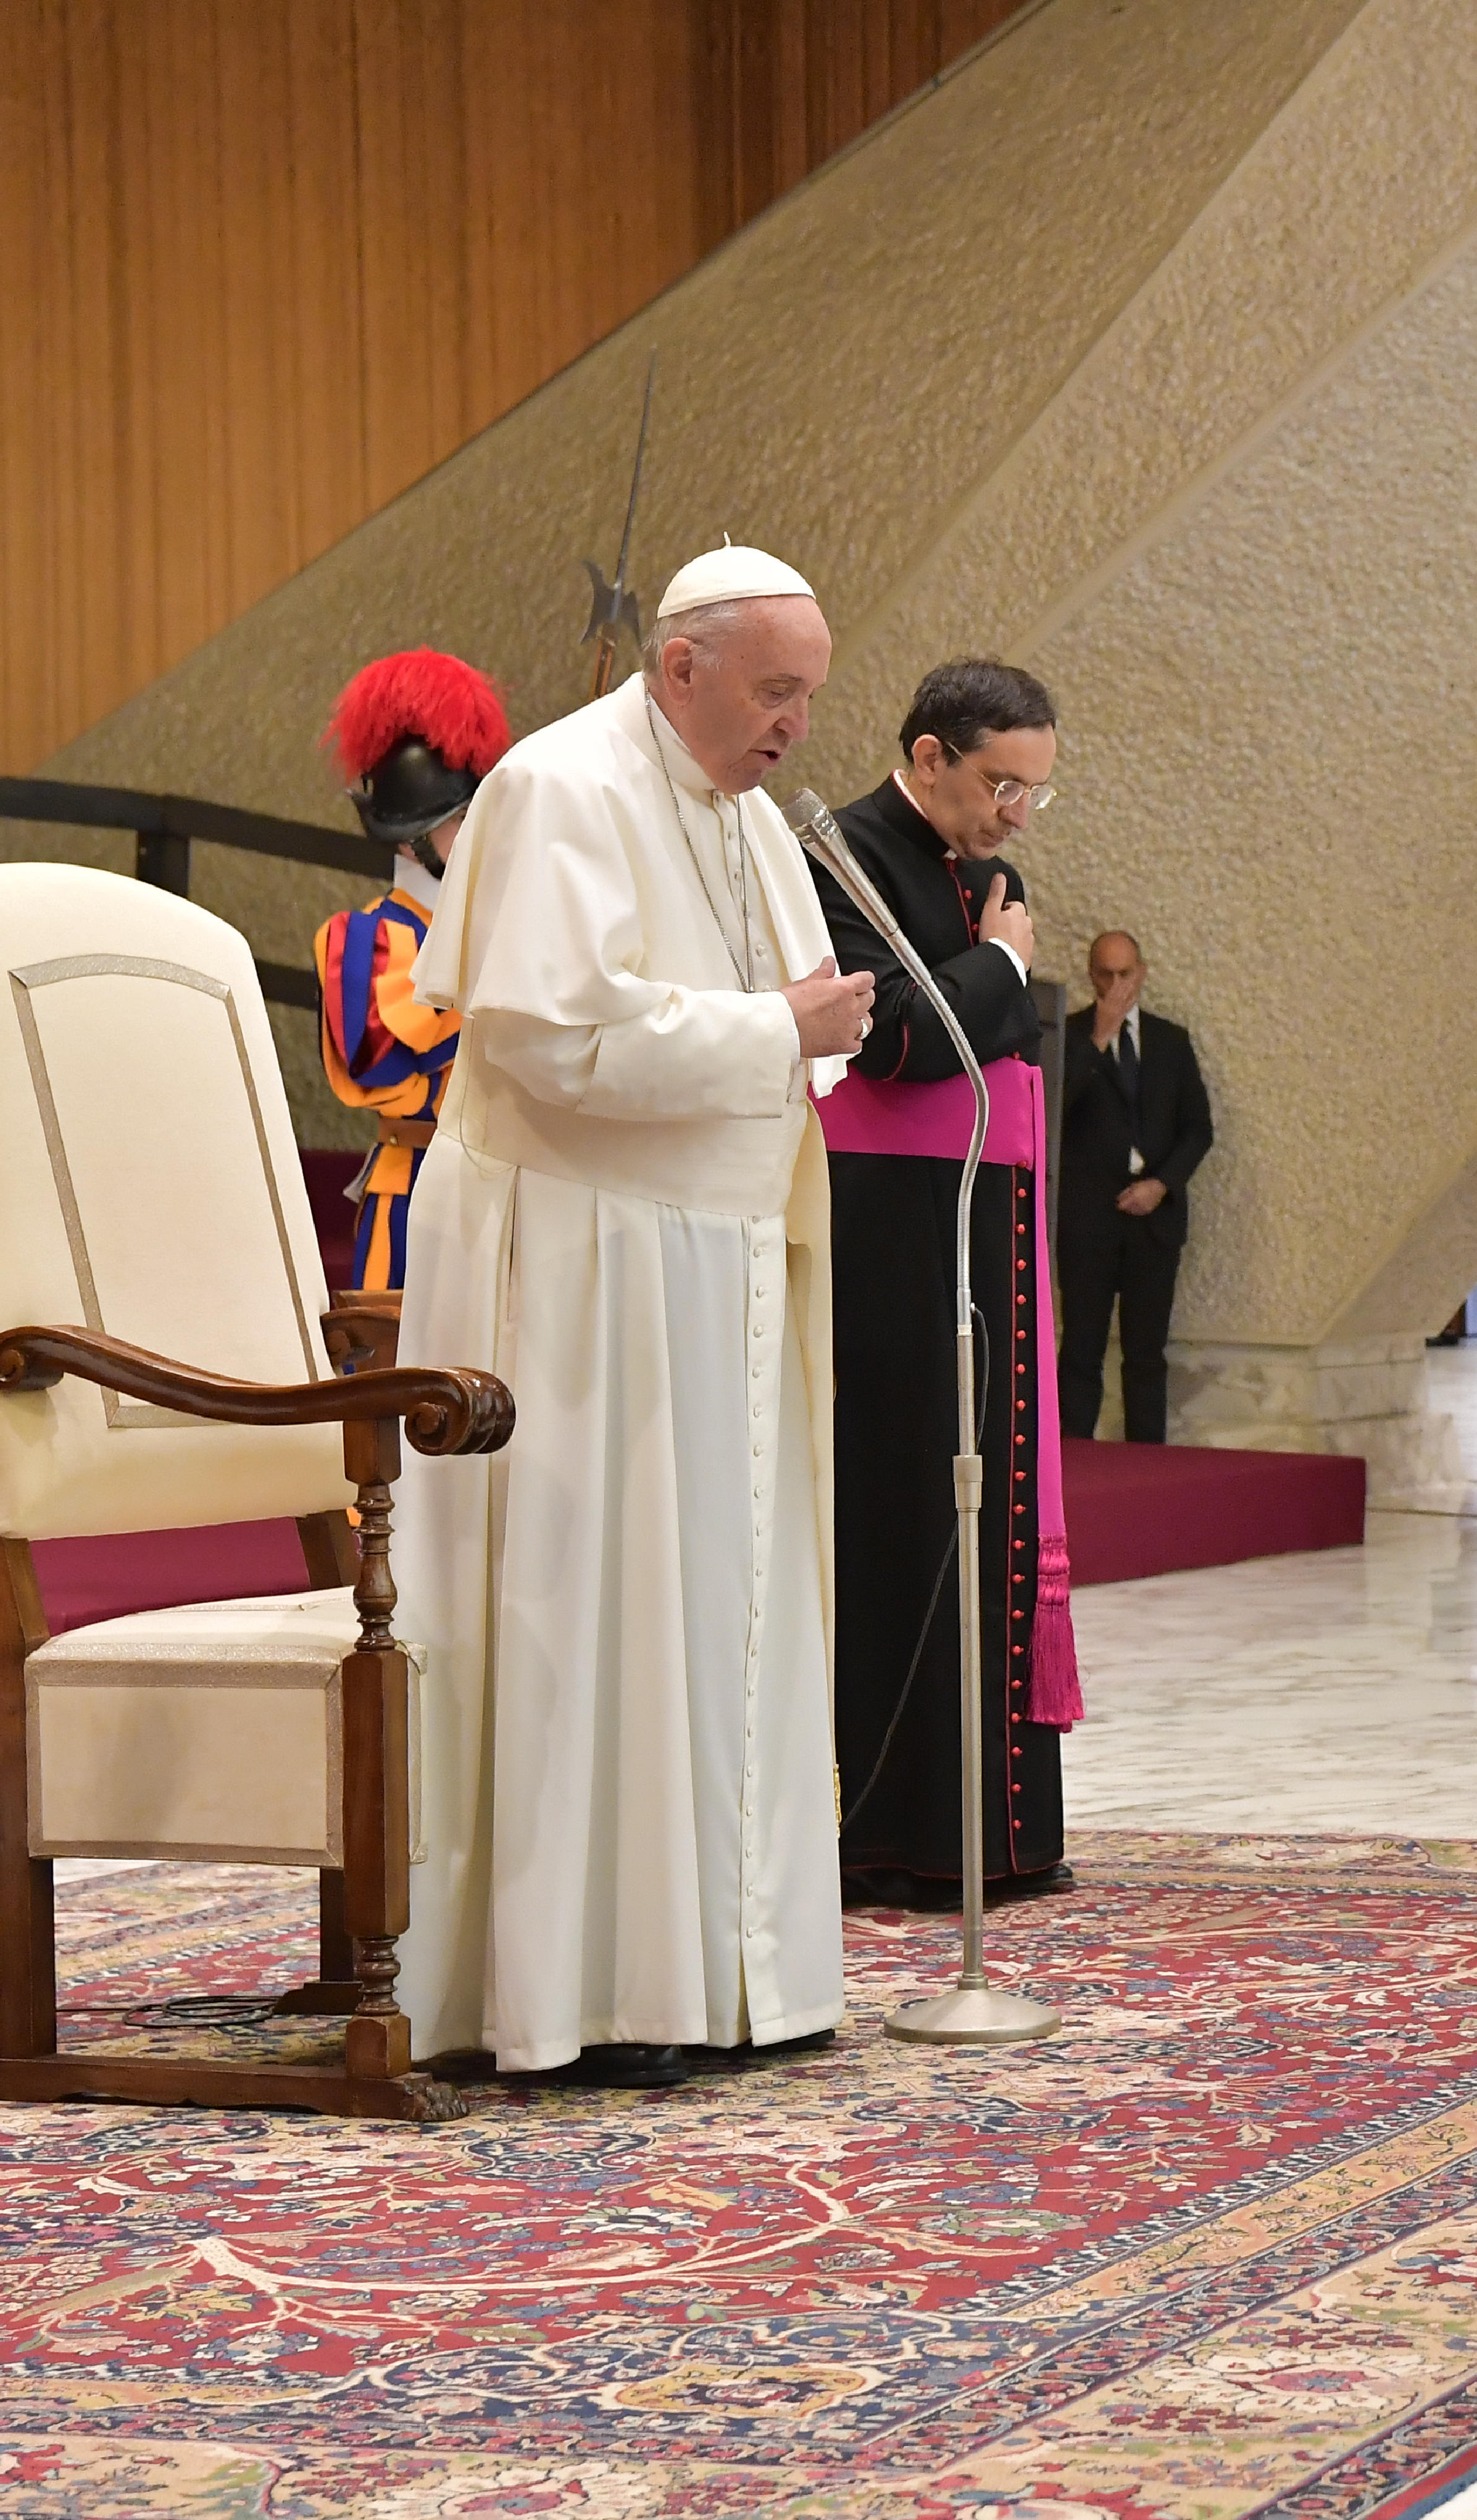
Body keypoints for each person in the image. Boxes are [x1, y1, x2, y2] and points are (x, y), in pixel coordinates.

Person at [391, 544, 876, 2090]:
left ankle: (729, 1974)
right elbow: (554, 1044)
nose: (796, 725)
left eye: (809, 695)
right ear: (682, 666)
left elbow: (802, 1020)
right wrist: (774, 1030)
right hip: (578, 1264)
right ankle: (579, 1987)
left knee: (713, 1609)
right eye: (774, 691)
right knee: (587, 1604)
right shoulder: (563, 789)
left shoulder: (748, 815)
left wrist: (801, 1033)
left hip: (713, 1264)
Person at [817, 658, 1080, 1913]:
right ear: (928, 757)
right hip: (889, 1235)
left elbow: (985, 1042)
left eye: (1035, 791)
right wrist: (1005, 973)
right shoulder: (839, 857)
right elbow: (898, 1039)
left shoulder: (990, 882)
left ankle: (1000, 1834)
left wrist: (997, 981)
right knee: (910, 1507)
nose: (1014, 814)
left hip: (986, 1221)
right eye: (998, 784)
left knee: (997, 1515)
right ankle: (903, 1834)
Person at [313, 649, 507, 1289]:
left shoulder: (500, 924)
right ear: (408, 835)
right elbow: (378, 1059)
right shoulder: (365, 937)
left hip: (507, 1188)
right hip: (415, 1190)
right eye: (459, 820)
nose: (475, 831)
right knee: (396, 1345)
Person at [1059, 928, 1211, 1443]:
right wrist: (1098, 1039)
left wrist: (1161, 1185)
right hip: (1089, 1222)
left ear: (1141, 973)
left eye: (1126, 973)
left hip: (1154, 1222)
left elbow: (1198, 1129)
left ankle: (1149, 1459)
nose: (1117, 984)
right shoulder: (1067, 1035)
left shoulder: (1171, 1042)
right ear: (1091, 976)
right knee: (1082, 1348)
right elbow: (1052, 1111)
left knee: (1146, 1353)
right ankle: (1073, 1460)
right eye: (1107, 974)